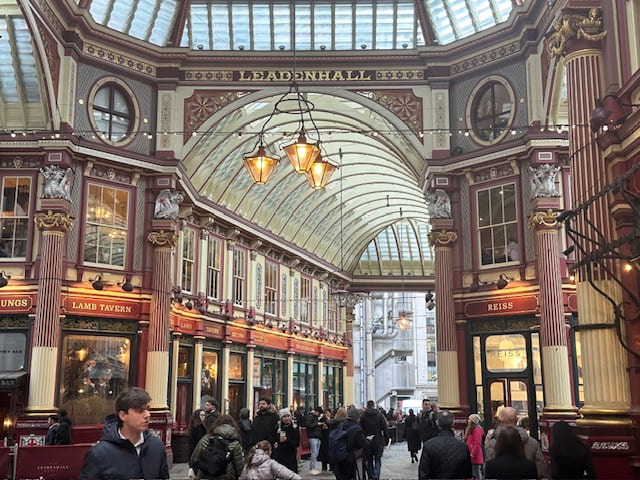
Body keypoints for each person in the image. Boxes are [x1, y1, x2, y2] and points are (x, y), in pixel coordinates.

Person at [79, 387, 169, 480]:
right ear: (123, 415)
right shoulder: (99, 453)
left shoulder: (156, 446)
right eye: (140, 411)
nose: (147, 415)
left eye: (147, 409)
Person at [486, 406, 547, 479]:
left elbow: (487, 468)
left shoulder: (492, 443)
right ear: (517, 419)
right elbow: (540, 467)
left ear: (500, 419)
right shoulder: (532, 443)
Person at [419, 409, 472, 480]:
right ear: (453, 423)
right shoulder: (463, 446)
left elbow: (423, 474)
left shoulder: (428, 445)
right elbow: (468, 473)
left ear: (437, 423)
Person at [190, 414, 244, 480]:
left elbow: (194, 460)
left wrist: (201, 471)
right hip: (226, 477)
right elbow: (239, 468)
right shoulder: (235, 443)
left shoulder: (206, 439)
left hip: (205, 476)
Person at [331, 407, 368, 480]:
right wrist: (368, 441)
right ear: (357, 418)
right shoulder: (356, 429)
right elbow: (364, 444)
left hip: (340, 455)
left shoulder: (341, 425)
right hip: (352, 458)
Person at [360, 400, 389, 480]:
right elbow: (385, 428)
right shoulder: (379, 415)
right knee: (377, 459)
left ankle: (371, 475)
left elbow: (360, 429)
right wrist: (386, 440)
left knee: (369, 460)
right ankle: (376, 474)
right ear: (374, 406)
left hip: (367, 441)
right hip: (378, 440)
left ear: (367, 406)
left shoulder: (363, 416)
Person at [273, 408, 300, 473]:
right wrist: (275, 442)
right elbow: (274, 438)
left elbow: (296, 443)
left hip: (290, 455)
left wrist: (287, 440)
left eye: (288, 416)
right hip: (279, 455)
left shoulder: (294, 427)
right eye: (284, 417)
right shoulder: (278, 427)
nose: (286, 418)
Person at [305, 406, 326, 475]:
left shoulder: (315, 417)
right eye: (319, 413)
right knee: (314, 453)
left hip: (317, 436)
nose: (319, 415)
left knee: (316, 453)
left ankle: (313, 467)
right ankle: (312, 468)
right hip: (312, 436)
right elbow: (308, 425)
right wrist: (317, 424)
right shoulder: (310, 417)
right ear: (316, 412)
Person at [188, 409, 208, 475]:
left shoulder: (198, 425)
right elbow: (199, 440)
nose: (203, 417)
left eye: (204, 415)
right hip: (197, 453)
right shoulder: (197, 427)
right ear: (197, 416)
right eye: (201, 415)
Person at [465, 414, 484, 479]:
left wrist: (472, 453)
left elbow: (477, 443)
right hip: (471, 454)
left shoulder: (477, 430)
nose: (468, 421)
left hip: (475, 456)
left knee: (476, 472)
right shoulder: (470, 429)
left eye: (469, 419)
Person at [318, 409, 332, 473]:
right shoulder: (322, 420)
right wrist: (322, 427)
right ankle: (324, 467)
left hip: (330, 438)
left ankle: (331, 467)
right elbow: (319, 428)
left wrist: (329, 422)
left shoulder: (332, 420)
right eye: (325, 413)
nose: (327, 415)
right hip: (323, 438)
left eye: (328, 413)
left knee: (330, 453)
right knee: (324, 453)